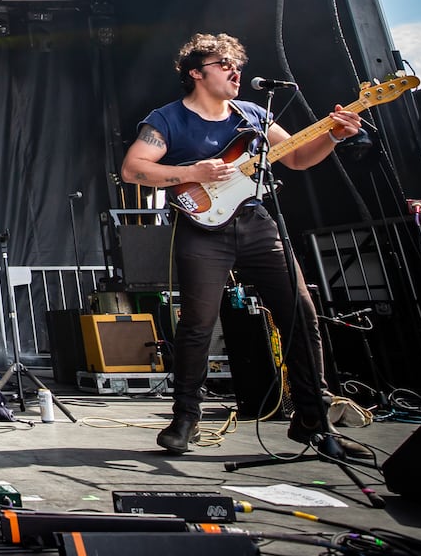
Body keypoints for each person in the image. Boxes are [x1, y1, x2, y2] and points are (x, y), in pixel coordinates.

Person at [120, 33, 370, 460]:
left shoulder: (252, 113)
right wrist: (192, 170)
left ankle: (313, 418)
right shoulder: (166, 119)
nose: (236, 72)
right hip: (202, 229)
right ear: (196, 73)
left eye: (237, 64)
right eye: (223, 64)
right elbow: (132, 169)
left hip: (257, 223)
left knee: (301, 316)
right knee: (197, 323)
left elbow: (296, 157)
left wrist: (333, 136)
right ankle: (185, 419)